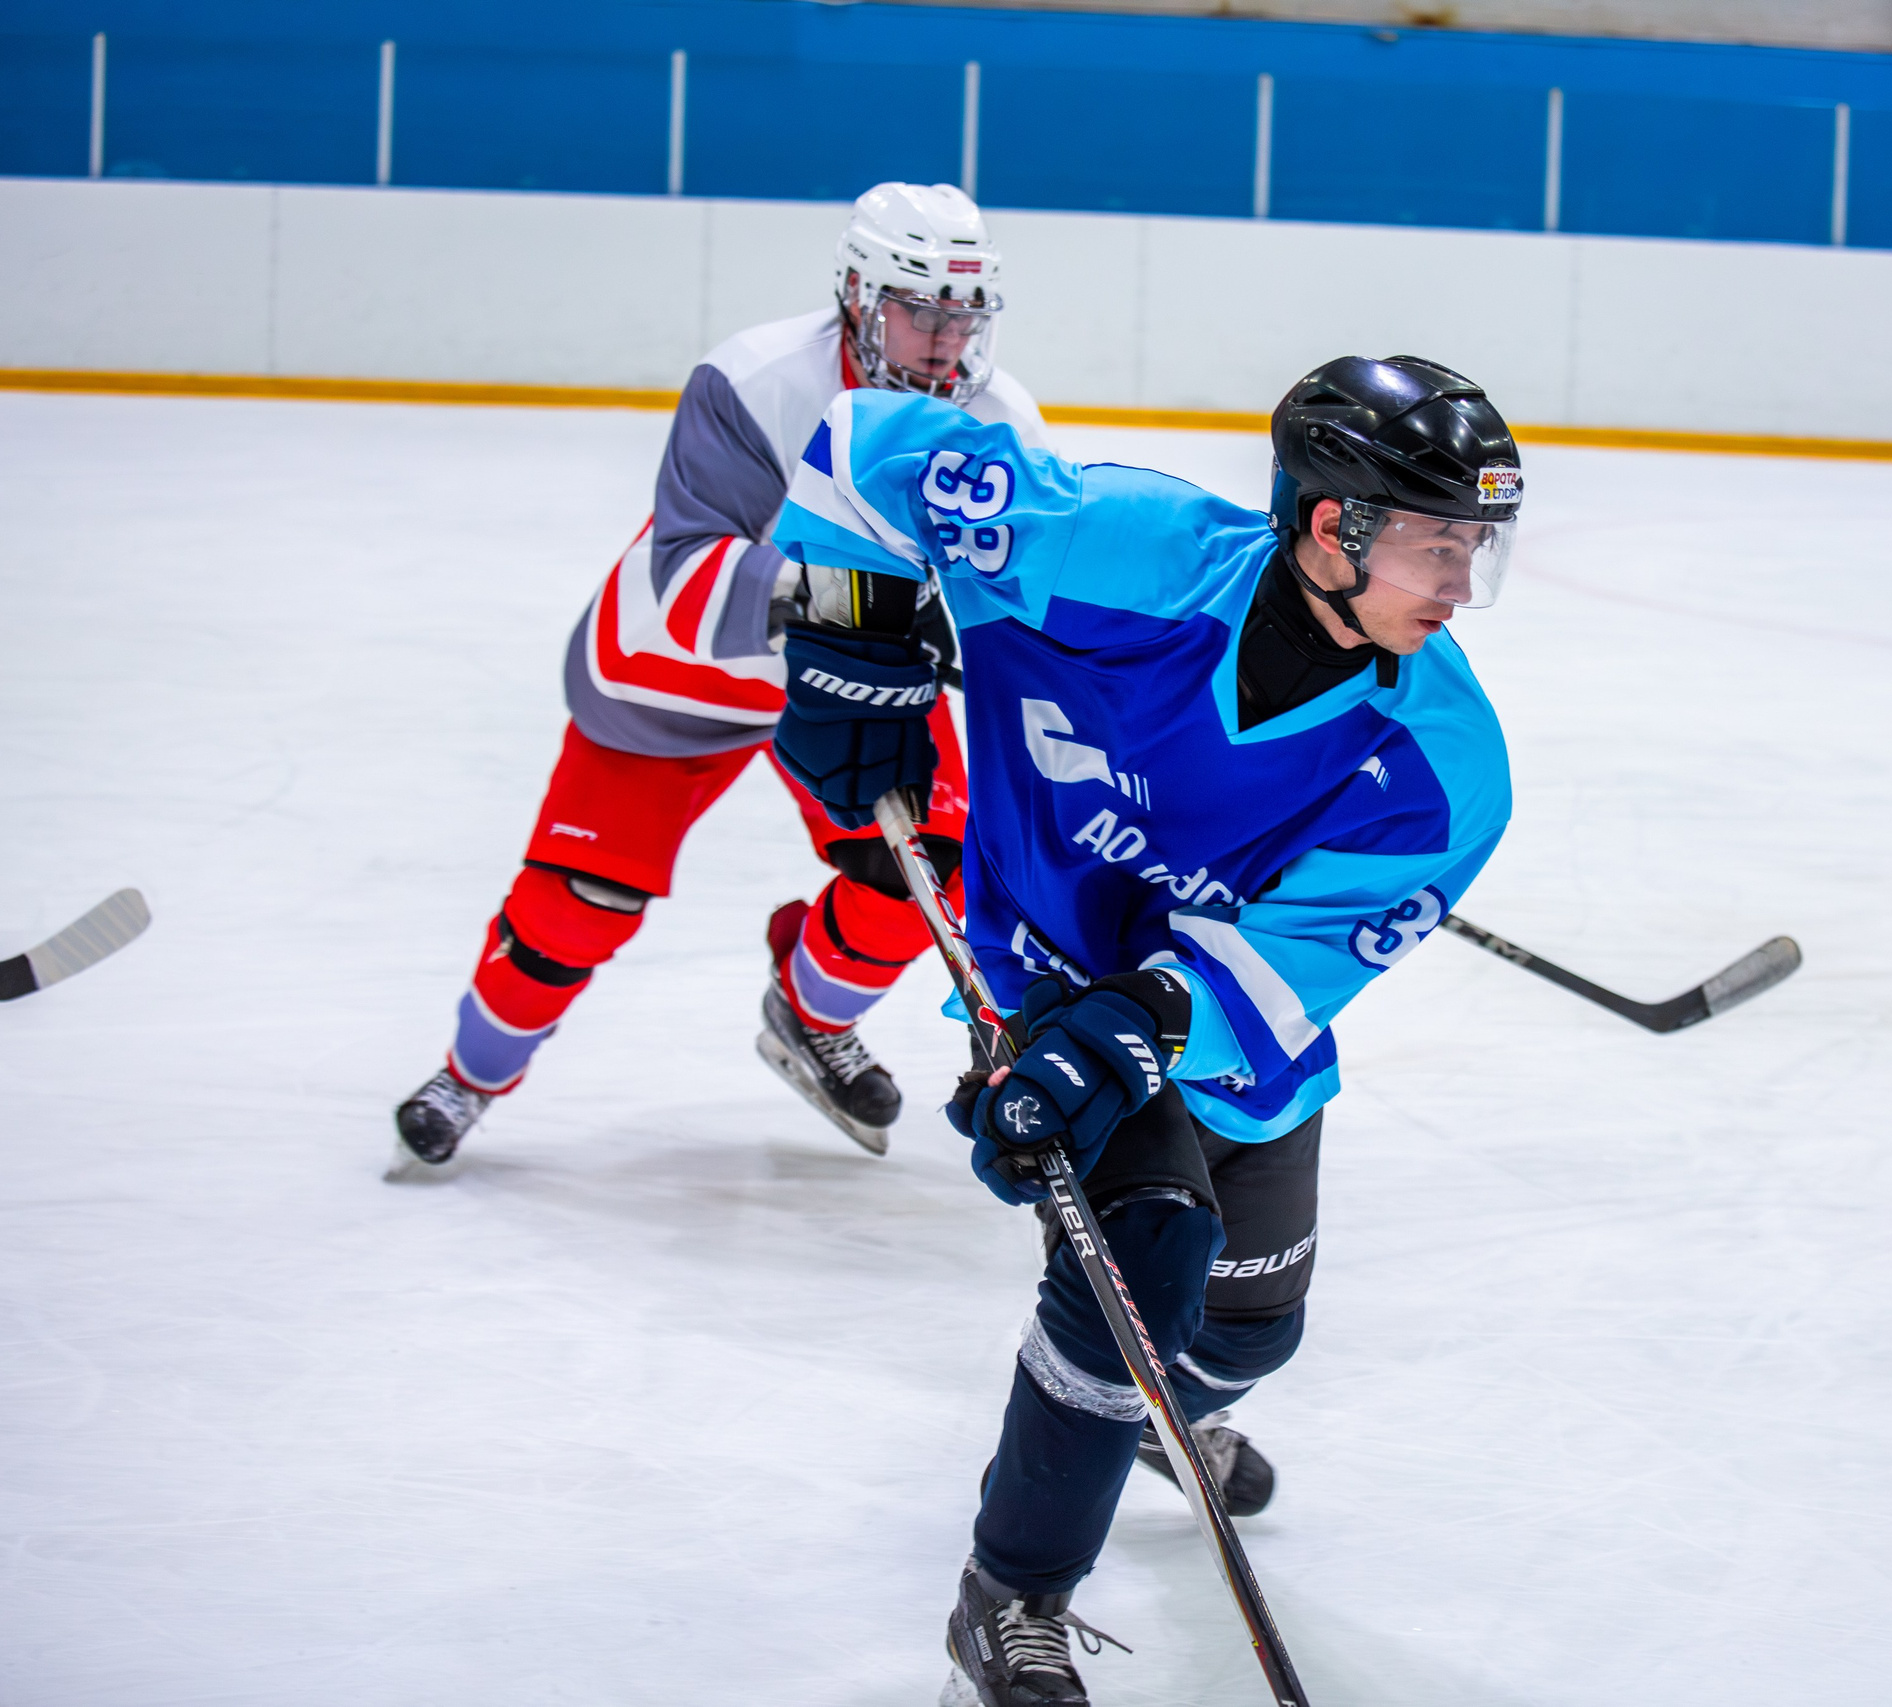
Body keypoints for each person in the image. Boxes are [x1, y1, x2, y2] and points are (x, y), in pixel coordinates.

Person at [769, 354, 1521, 1704]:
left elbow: (1273, 981)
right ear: (1328, 523)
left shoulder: (1448, 764)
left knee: (1247, 1332)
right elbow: (863, 443)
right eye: (1433, 544)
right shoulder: (1113, 547)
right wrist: (851, 630)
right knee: (1145, 1250)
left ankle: (1170, 1408)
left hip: (1224, 1042)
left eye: (1477, 548)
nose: (1461, 586)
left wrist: (1137, 1024)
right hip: (1041, 960)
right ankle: (1012, 1601)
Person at [392, 183, 1048, 1168]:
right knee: (580, 902)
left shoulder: (999, 420)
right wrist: (865, 605)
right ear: (859, 297)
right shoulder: (755, 382)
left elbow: (1028, 594)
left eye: (964, 316)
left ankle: (809, 1013)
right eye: (922, 313)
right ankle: (470, 1074)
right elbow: (688, 563)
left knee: (932, 876)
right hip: (684, 665)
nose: (946, 342)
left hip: (850, 680)